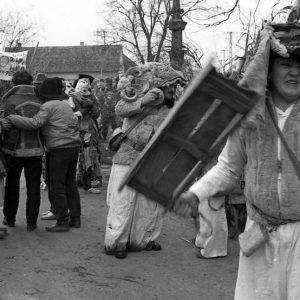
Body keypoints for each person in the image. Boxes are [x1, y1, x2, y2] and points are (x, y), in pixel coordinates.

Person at [173, 21, 300, 299]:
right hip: (259, 233)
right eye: (286, 64)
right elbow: (229, 167)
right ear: (268, 70)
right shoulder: (248, 116)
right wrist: (196, 194)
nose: (294, 72)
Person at [104, 62, 186, 259]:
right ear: (161, 85)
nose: (174, 90)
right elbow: (120, 109)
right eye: (171, 86)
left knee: (149, 203)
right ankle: (118, 242)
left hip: (154, 160)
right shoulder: (140, 94)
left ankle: (143, 239)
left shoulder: (174, 106)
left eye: (176, 87)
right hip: (128, 156)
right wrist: (142, 102)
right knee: (124, 201)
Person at [4, 77, 82, 232]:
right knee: (59, 185)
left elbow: (34, 123)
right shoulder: (61, 104)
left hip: (35, 150)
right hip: (61, 148)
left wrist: (10, 118)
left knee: (53, 185)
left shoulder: (13, 100)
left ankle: (61, 222)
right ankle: (37, 223)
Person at [0, 70, 44, 232]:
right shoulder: (40, 99)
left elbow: (7, 125)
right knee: (33, 187)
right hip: (37, 149)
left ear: (14, 83)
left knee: (12, 186)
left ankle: (9, 219)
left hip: (14, 150)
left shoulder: (10, 100)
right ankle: (31, 222)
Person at [71, 74, 102, 193]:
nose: (84, 87)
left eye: (86, 84)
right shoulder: (71, 96)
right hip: (74, 130)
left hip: (88, 130)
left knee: (88, 155)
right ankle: (74, 180)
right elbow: (69, 112)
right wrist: (80, 112)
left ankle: (87, 184)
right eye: (82, 83)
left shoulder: (92, 97)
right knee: (75, 156)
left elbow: (96, 113)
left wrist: (92, 105)